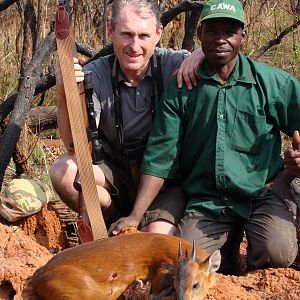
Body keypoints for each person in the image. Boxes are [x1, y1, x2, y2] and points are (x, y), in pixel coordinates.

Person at [109, 0, 300, 275]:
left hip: (260, 194)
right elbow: (161, 155)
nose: (221, 39)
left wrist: (285, 177)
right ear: (200, 35)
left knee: (277, 252)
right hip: (207, 200)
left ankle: (257, 273)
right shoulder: (182, 86)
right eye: (212, 31)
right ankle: (227, 253)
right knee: (186, 261)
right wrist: (135, 216)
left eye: (230, 32)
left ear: (243, 36)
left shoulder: (271, 83)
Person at [51, 0, 204, 235]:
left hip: (164, 180)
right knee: (64, 171)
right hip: (117, 175)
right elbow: (74, 145)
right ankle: (109, 221)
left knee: (156, 240)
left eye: (143, 36)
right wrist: (65, 94)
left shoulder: (175, 64)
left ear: (158, 34)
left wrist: (201, 53)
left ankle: (145, 222)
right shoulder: (96, 74)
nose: (135, 46)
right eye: (126, 34)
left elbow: (225, 55)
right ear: (111, 31)